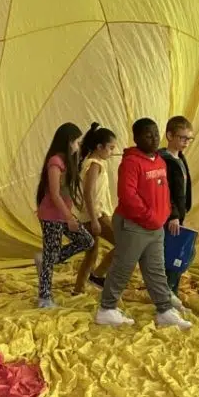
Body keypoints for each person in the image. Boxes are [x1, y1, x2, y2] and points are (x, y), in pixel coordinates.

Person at [94, 119, 192, 330]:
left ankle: (164, 310)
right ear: (137, 138)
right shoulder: (131, 163)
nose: (154, 138)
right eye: (148, 135)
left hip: (155, 226)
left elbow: (164, 191)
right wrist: (149, 216)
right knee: (123, 267)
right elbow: (128, 196)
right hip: (133, 225)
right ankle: (106, 309)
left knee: (155, 269)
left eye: (156, 134)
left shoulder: (159, 161)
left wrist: (164, 212)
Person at [33, 123, 95, 307]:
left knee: (87, 241)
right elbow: (54, 194)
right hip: (52, 216)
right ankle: (44, 297)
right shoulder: (55, 162)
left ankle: (46, 258)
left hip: (64, 214)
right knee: (50, 255)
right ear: (68, 142)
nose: (78, 145)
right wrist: (69, 218)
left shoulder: (70, 161)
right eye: (76, 142)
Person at [73, 124, 117, 294]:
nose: (112, 152)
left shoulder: (89, 162)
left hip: (89, 216)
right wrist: (94, 220)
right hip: (96, 215)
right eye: (111, 148)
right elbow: (88, 193)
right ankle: (98, 275)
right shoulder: (95, 164)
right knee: (125, 245)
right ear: (100, 147)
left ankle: (78, 289)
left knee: (91, 254)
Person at [161, 116, 196, 293]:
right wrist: (173, 215)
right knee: (174, 255)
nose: (186, 142)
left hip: (178, 215)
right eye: (182, 138)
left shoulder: (180, 158)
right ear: (169, 135)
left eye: (189, 139)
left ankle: (170, 291)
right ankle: (166, 293)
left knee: (183, 254)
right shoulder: (164, 160)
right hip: (167, 216)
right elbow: (164, 192)